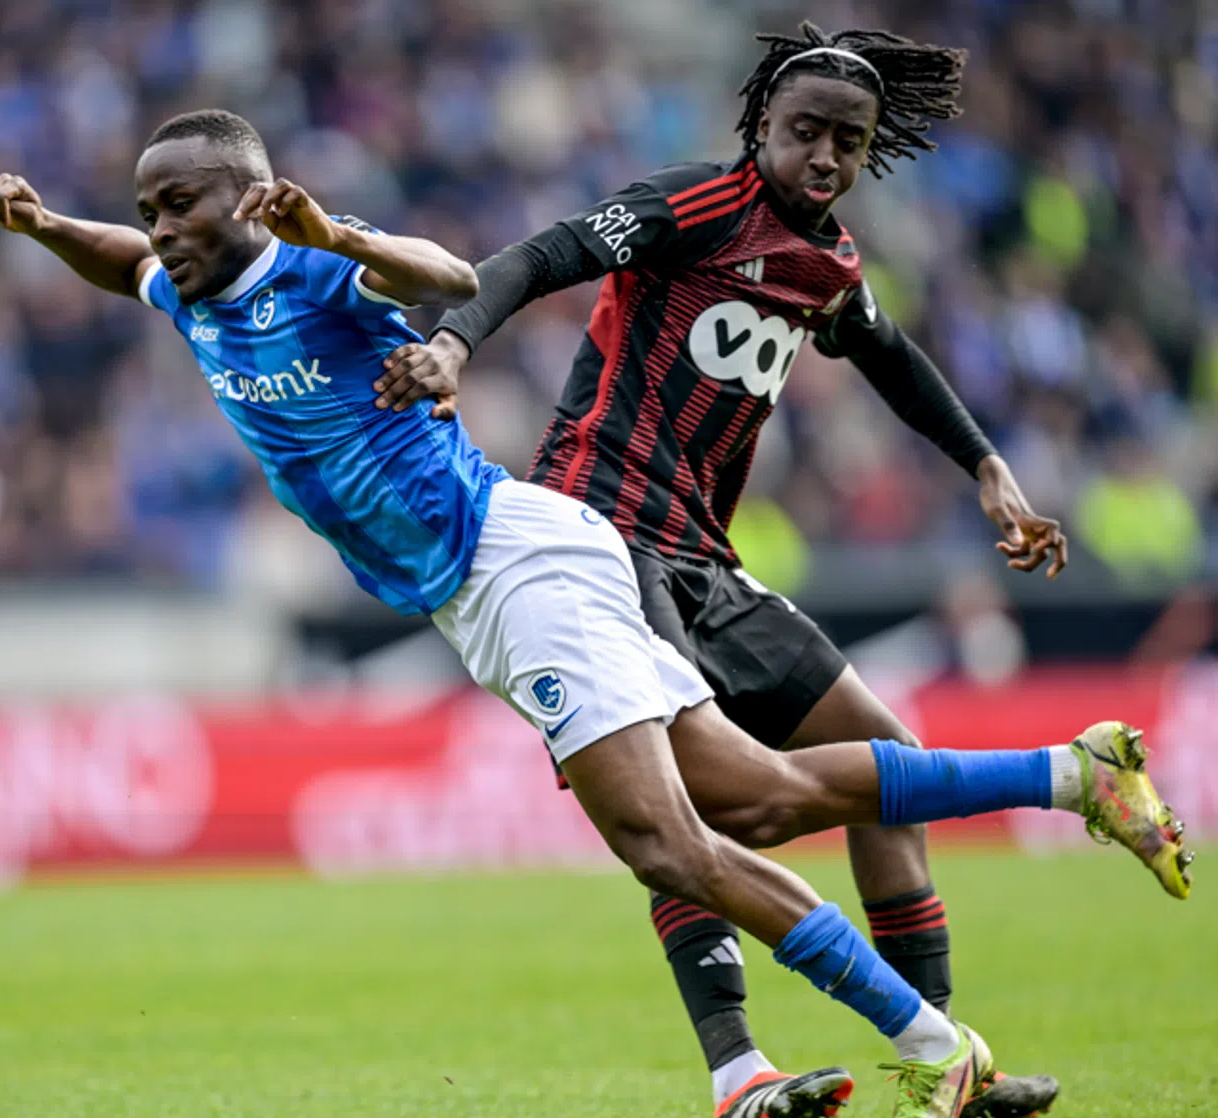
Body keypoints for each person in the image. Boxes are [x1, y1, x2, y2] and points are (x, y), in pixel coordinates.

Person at [0, 108, 1189, 1118]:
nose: (160, 228)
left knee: (675, 841)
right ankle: (1064, 779)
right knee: (753, 796)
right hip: (485, 591)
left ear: (251, 197)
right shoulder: (188, 291)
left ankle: (930, 1042)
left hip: (517, 563)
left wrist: (345, 241)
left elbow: (442, 273)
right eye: (151, 205)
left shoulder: (307, 266)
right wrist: (46, 221)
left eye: (181, 204)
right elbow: (119, 266)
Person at [369, 21, 1127, 1118]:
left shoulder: (831, 261)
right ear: (758, 128)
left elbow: (889, 356)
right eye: (803, 131)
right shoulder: (692, 206)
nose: (822, 155)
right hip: (600, 537)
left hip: (702, 558)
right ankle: (739, 1060)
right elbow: (544, 254)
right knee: (701, 814)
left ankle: (947, 1063)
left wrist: (987, 468)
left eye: (846, 141)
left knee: (884, 764)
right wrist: (453, 343)